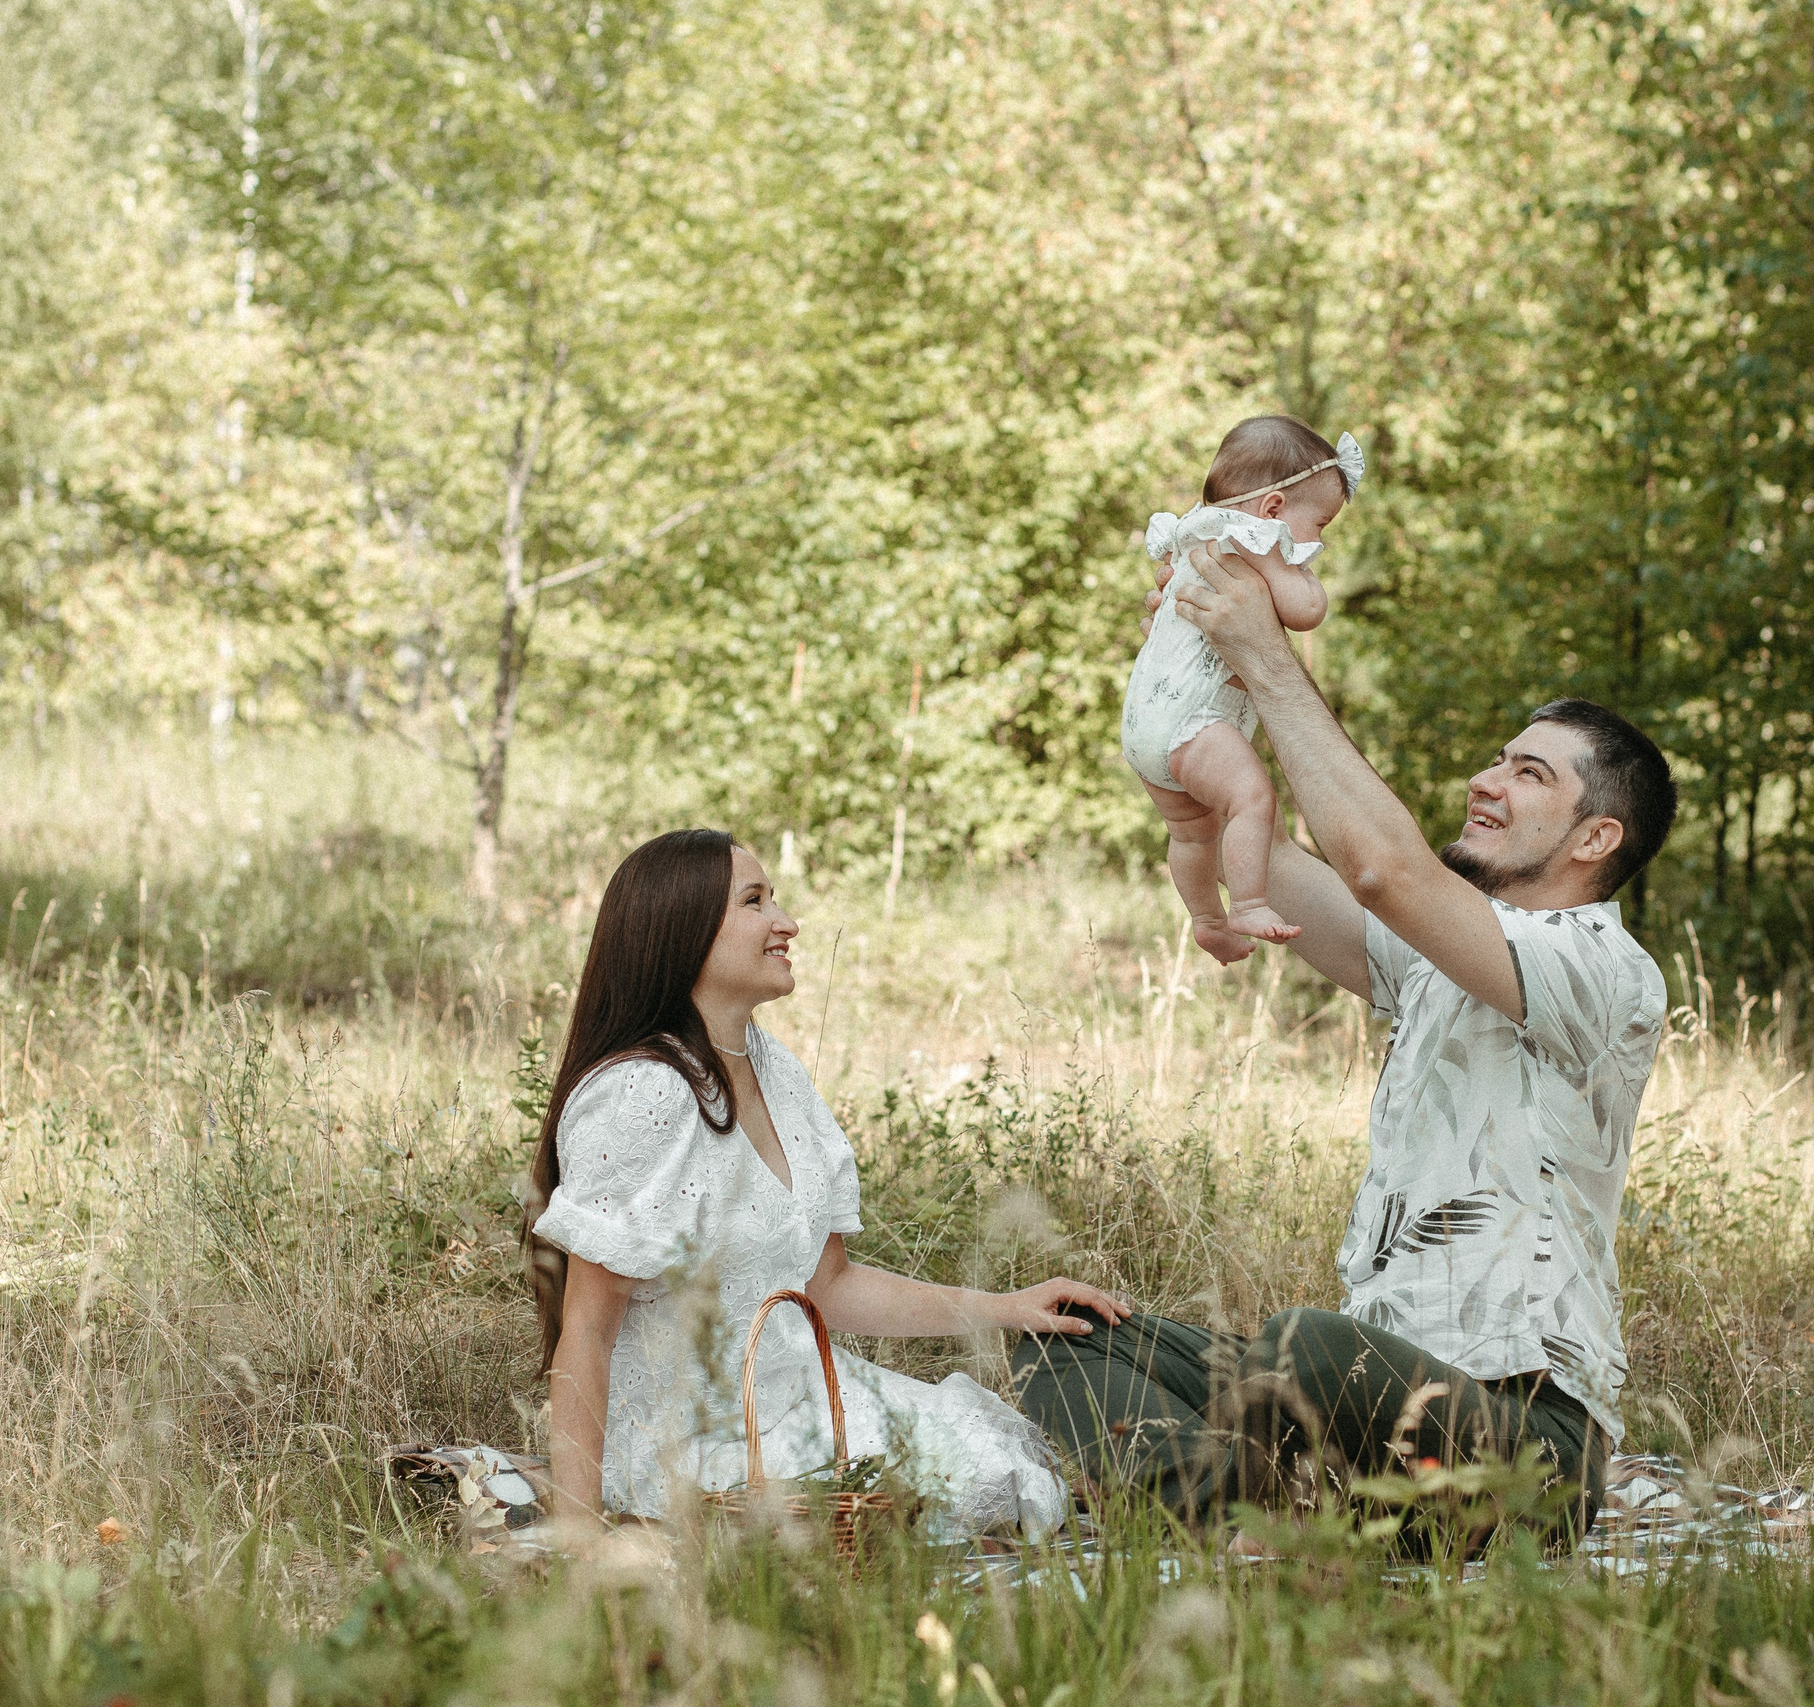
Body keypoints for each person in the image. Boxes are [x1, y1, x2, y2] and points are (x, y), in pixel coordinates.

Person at [1014, 540, 1677, 1547]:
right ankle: (1255, 1518)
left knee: (1307, 1348)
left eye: (1526, 773)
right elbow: (1256, 858)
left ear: (1595, 839)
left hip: (1521, 1443)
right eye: (1496, 759)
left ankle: (1264, 1503)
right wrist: (1195, 726)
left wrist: (1272, 655)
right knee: (1051, 1333)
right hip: (1362, 1417)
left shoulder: (1604, 970)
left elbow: (1382, 870)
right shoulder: (1432, 964)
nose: (1483, 780)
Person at [525, 829, 1130, 1541]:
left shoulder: (773, 1069)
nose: (787, 921)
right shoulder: (641, 1094)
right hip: (696, 1448)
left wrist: (1007, 1307)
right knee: (944, 1504)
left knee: (1001, 1458)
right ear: (682, 932)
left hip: (810, 1396)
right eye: (755, 901)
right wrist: (579, 1538)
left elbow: (830, 1285)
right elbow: (587, 1331)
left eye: (774, 898)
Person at [1122, 415, 1362, 962]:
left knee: (1190, 834)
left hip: (1142, 725)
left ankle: (1206, 918)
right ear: (1274, 508)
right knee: (1251, 799)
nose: (1317, 541)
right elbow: (1305, 611)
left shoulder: (1192, 533)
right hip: (1193, 721)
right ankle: (1248, 903)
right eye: (1320, 525)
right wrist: (1301, 575)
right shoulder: (1253, 538)